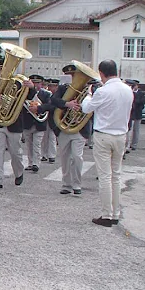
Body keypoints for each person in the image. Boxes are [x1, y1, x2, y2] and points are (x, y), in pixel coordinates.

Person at [77, 60, 133, 227]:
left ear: (101, 73)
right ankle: (116, 213)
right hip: (121, 135)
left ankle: (106, 214)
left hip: (103, 136)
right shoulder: (128, 89)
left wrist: (89, 94)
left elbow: (86, 108)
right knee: (116, 175)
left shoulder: (102, 91)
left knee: (105, 177)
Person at [34, 67, 88, 195]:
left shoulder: (87, 90)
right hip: (64, 127)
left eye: (72, 74)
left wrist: (79, 106)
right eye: (68, 74)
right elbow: (53, 100)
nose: (70, 77)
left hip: (79, 128)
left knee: (77, 157)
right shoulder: (63, 89)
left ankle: (77, 184)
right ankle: (66, 185)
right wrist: (67, 104)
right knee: (64, 157)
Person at [0, 76, 35, 189]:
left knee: (16, 153)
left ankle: (19, 172)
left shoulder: (19, 82)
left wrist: (32, 87)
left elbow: (30, 96)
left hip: (14, 123)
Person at [22, 75, 51, 173]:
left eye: (37, 83)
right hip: (27, 122)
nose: (36, 85)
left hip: (39, 122)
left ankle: (36, 163)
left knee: (37, 144)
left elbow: (48, 105)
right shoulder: (25, 93)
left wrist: (39, 108)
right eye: (33, 83)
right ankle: (30, 163)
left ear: (41, 84)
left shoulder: (46, 94)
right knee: (29, 144)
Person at [41, 78, 59, 163]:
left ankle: (52, 155)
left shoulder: (58, 95)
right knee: (44, 137)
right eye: (49, 86)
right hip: (45, 117)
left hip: (53, 118)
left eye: (52, 86)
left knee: (52, 137)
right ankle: (43, 154)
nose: (50, 88)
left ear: (56, 87)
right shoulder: (48, 94)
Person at [126, 79, 145, 152]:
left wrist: (136, 103)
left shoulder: (141, 93)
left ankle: (134, 145)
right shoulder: (129, 92)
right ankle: (128, 145)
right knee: (129, 130)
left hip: (137, 114)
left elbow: (142, 103)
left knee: (136, 130)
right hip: (131, 114)